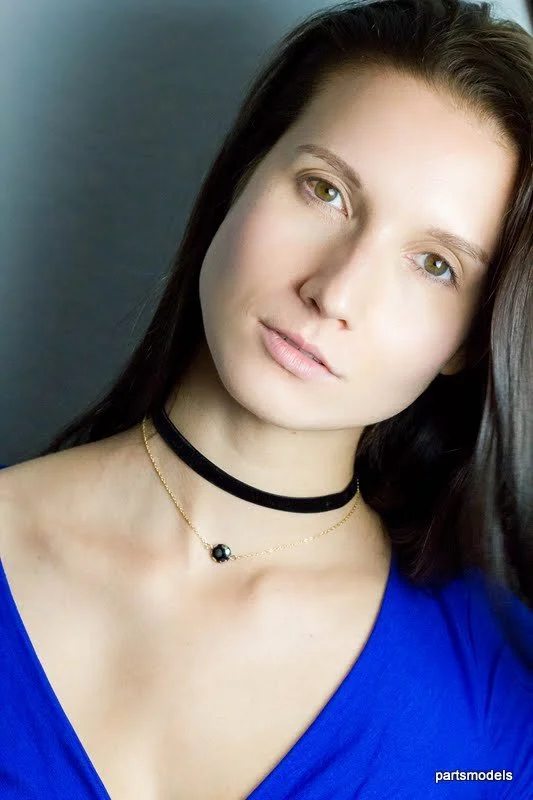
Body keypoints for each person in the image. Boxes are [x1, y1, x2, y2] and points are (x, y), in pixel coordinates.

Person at [1, 0, 532, 797]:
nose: (334, 292)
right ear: (238, 181)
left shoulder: (501, 699)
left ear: (468, 339)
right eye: (325, 191)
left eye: (434, 265)